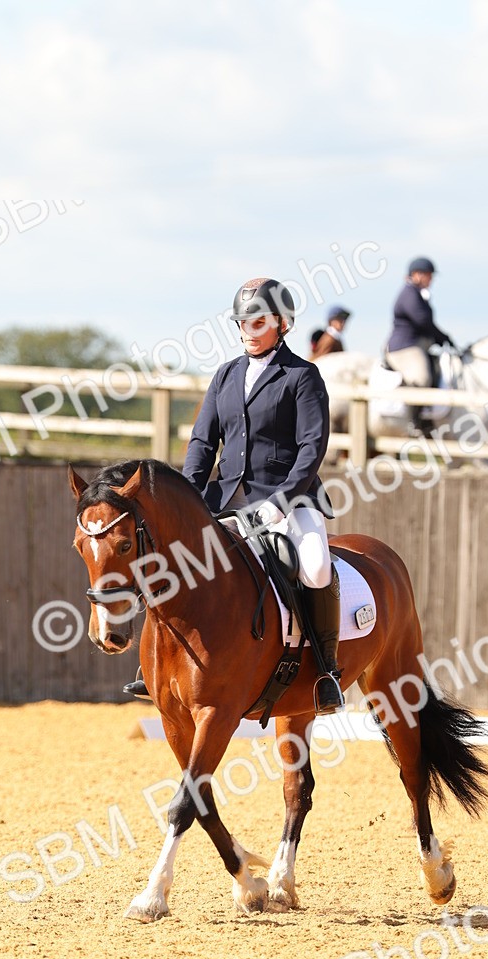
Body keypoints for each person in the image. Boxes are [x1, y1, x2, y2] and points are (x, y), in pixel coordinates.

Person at [124, 276, 345, 712]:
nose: (247, 329)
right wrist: (189, 499)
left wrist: (280, 503)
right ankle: (150, 666)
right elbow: (204, 443)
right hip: (225, 499)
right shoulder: (227, 375)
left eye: (257, 321)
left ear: (282, 323)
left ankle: (326, 671)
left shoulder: (302, 376)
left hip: (288, 499)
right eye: (241, 321)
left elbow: (311, 449)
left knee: (316, 566)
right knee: (174, 557)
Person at [385, 257, 454, 387]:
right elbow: (423, 321)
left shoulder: (417, 294)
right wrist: (442, 337)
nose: (431, 279)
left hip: (417, 345)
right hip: (405, 347)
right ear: (417, 274)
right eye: (429, 275)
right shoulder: (409, 294)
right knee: (421, 379)